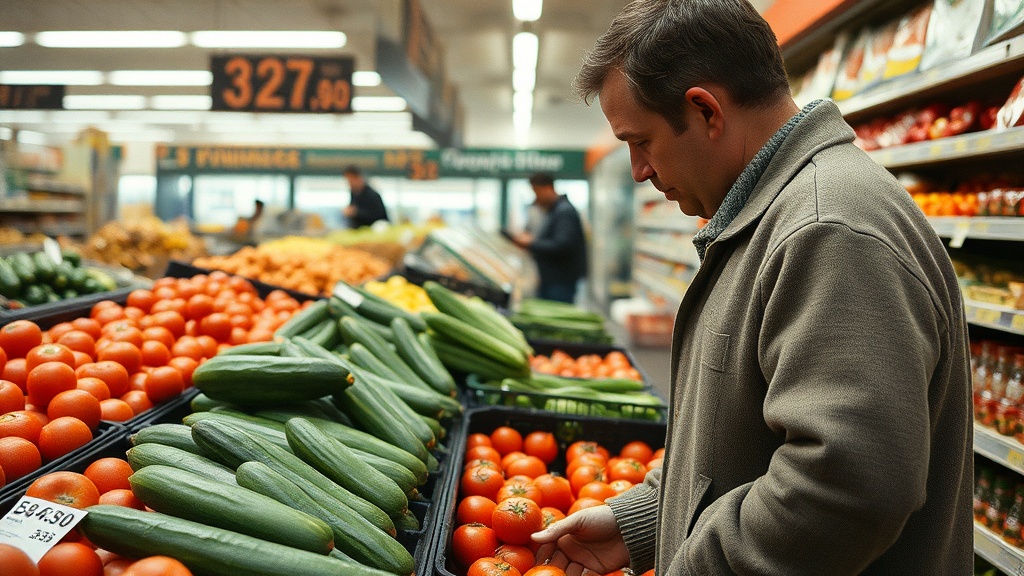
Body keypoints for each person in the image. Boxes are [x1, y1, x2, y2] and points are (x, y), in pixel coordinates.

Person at [532, 1, 973, 574]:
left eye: (640, 142)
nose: (639, 169)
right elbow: (737, 434)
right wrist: (642, 519)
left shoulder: (826, 230)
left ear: (705, 111)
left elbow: (844, 487)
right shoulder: (766, 217)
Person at [511, 172, 588, 303]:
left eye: (536, 192)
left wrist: (530, 243)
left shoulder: (564, 212)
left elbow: (562, 245)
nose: (536, 199)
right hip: (555, 280)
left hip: (560, 281)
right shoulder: (555, 210)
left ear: (547, 188)